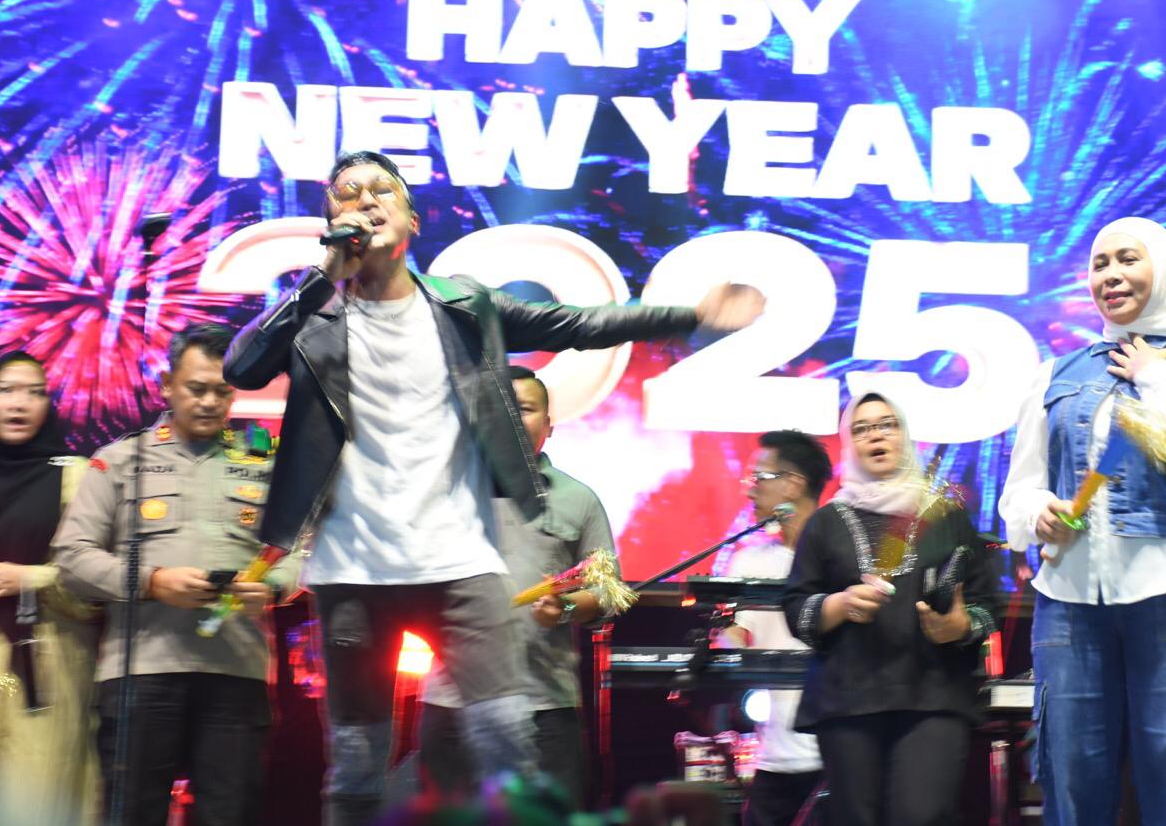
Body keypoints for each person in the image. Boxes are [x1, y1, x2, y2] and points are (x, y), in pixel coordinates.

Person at [221, 149, 763, 825]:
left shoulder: (462, 306)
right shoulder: (317, 321)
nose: (364, 201)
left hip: (457, 564)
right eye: (347, 193)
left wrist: (689, 315)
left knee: (508, 740)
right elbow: (243, 369)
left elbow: (576, 324)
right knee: (358, 762)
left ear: (411, 219)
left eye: (380, 190)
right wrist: (322, 277)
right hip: (355, 570)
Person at [998, 216, 1166, 826]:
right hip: (1068, 601)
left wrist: (1154, 375)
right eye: (1099, 263)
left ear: (1163, 269)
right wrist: (1039, 512)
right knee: (1069, 777)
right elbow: (1018, 493)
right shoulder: (1054, 374)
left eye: (1127, 259)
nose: (1110, 275)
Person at [53, 324, 302, 826]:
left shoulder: (264, 458)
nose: (210, 402)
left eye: (222, 391)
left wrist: (273, 587)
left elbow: (304, 547)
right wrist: (153, 581)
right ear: (167, 385)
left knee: (230, 814)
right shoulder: (122, 460)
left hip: (237, 670)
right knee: (133, 813)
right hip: (142, 671)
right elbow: (71, 557)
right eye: (196, 388)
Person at [781, 392, 1001, 826]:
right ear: (849, 443)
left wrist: (959, 626)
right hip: (847, 699)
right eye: (862, 429)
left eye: (887, 425)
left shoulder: (946, 515)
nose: (875, 436)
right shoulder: (826, 522)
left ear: (905, 435)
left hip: (933, 694)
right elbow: (796, 607)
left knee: (920, 815)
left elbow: (986, 605)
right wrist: (840, 605)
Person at [416, 365, 623, 808]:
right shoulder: (441, 495)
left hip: (543, 705)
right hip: (453, 702)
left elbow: (609, 591)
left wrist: (566, 609)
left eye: (524, 409)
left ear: (548, 426)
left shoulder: (578, 499)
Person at [0, 352, 99, 825]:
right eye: (4, 390)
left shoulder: (75, 476)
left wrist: (28, 579)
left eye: (34, 393)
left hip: (47, 664)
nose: (19, 404)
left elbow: (98, 582)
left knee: (37, 800)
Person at [720, 429, 832, 826]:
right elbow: (735, 635)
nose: (749, 490)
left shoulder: (842, 558)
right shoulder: (748, 561)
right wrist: (723, 643)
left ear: (793, 484)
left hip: (836, 755)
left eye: (759, 478)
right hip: (773, 754)